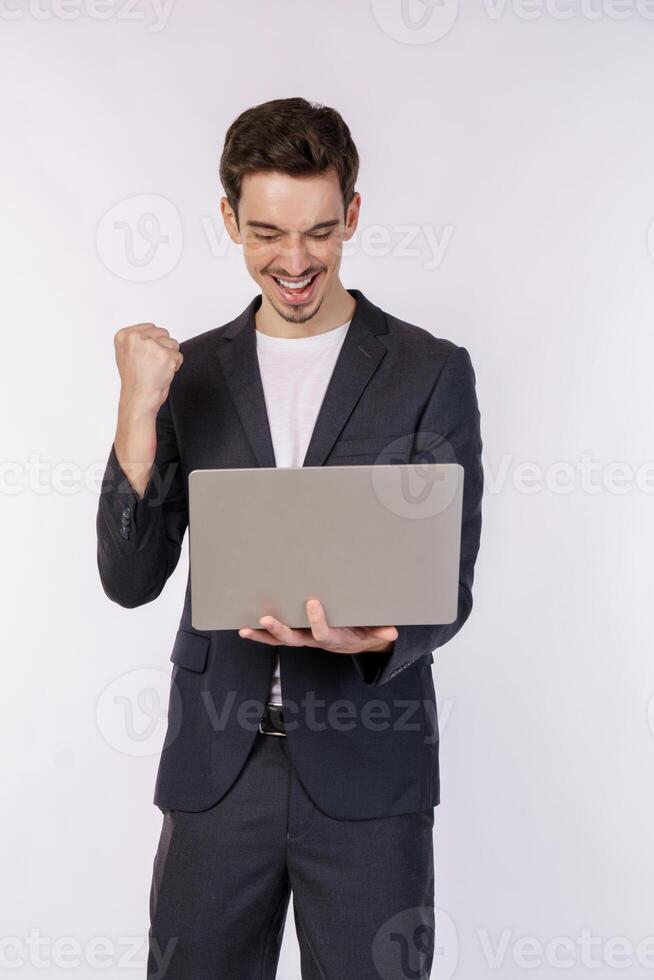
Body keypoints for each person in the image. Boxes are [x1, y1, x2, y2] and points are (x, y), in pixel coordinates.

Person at [96, 96, 483, 980]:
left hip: (367, 766)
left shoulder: (430, 370)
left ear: (351, 213)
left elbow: (448, 582)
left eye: (318, 231)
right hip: (216, 770)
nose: (295, 261)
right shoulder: (186, 377)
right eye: (267, 232)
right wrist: (133, 414)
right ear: (229, 218)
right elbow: (129, 577)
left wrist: (375, 638)